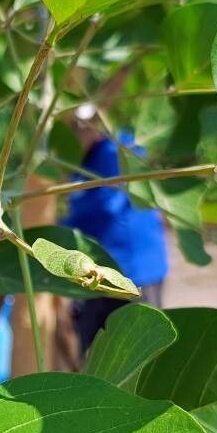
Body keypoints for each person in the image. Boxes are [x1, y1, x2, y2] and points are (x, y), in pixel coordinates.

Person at [64, 127, 168, 354]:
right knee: (95, 352)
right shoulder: (76, 156)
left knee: (138, 351)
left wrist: (54, 227)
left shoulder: (118, 150)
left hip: (135, 269)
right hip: (96, 272)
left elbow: (105, 207)